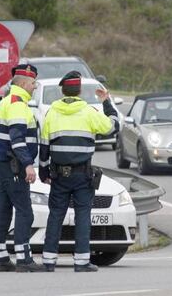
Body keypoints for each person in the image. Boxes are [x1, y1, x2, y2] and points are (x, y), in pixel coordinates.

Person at [39, 71, 119, 272]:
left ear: (62, 90)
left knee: (56, 215)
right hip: (82, 175)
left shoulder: (51, 113)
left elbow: (44, 146)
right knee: (83, 215)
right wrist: (107, 102)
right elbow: (113, 127)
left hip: (58, 174)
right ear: (80, 91)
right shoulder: (89, 112)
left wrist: (43, 171)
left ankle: (49, 260)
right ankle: (82, 261)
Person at [0, 64, 45, 272]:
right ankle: (24, 259)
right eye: (33, 83)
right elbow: (17, 138)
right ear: (23, 83)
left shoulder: (7, 101)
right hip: (14, 165)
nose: (35, 87)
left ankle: (1, 258)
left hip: (5, 163)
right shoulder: (17, 104)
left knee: (4, 209)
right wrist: (28, 164)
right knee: (24, 211)